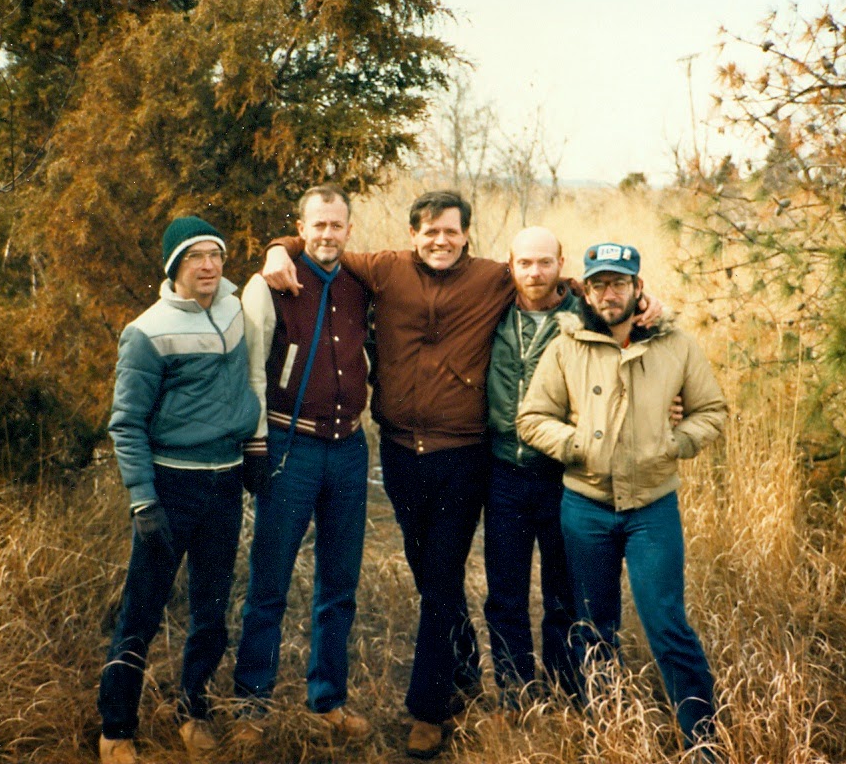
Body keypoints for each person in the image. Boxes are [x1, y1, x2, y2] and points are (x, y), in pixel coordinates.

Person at [263, 196, 662, 758]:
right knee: (429, 575)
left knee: (444, 577)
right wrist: (279, 248)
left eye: (451, 232)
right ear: (413, 234)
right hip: (401, 453)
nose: (440, 241)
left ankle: (429, 708)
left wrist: (644, 301)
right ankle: (466, 670)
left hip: (464, 455)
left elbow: (556, 283)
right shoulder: (386, 268)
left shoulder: (493, 278)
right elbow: (325, 244)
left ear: (467, 236)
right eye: (430, 232)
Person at [517, 242, 726, 753]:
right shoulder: (568, 346)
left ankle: (703, 740)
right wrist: (575, 446)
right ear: (586, 292)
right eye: (599, 285)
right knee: (593, 627)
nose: (609, 294)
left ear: (637, 287)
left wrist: (674, 443)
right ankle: (610, 732)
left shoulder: (675, 345)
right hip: (585, 507)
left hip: (652, 507)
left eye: (618, 283)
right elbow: (532, 417)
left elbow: (712, 411)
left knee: (666, 623)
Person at [98, 216, 262, 764]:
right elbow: (126, 424)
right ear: (174, 266)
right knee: (141, 611)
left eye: (216, 255)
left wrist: (252, 452)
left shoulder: (235, 309)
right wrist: (143, 499)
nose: (209, 266)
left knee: (211, 610)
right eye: (196, 257)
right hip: (171, 486)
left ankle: (194, 711)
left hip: (226, 482)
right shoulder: (147, 332)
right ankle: (116, 728)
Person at [231, 184, 372, 743]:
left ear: (349, 229)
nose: (328, 234)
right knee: (270, 582)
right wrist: (256, 445)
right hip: (292, 447)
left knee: (339, 585)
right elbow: (251, 370)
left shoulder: (362, 284)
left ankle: (328, 700)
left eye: (337, 225)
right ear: (301, 228)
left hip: (350, 450)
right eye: (318, 225)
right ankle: (251, 705)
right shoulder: (273, 283)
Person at [483, 227, 580, 712]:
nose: (535, 272)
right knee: (506, 591)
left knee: (564, 591)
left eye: (545, 262)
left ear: (561, 263)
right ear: (510, 265)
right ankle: (515, 693)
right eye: (524, 263)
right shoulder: (491, 310)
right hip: (503, 470)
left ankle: (567, 689)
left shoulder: (584, 317)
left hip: (563, 473)